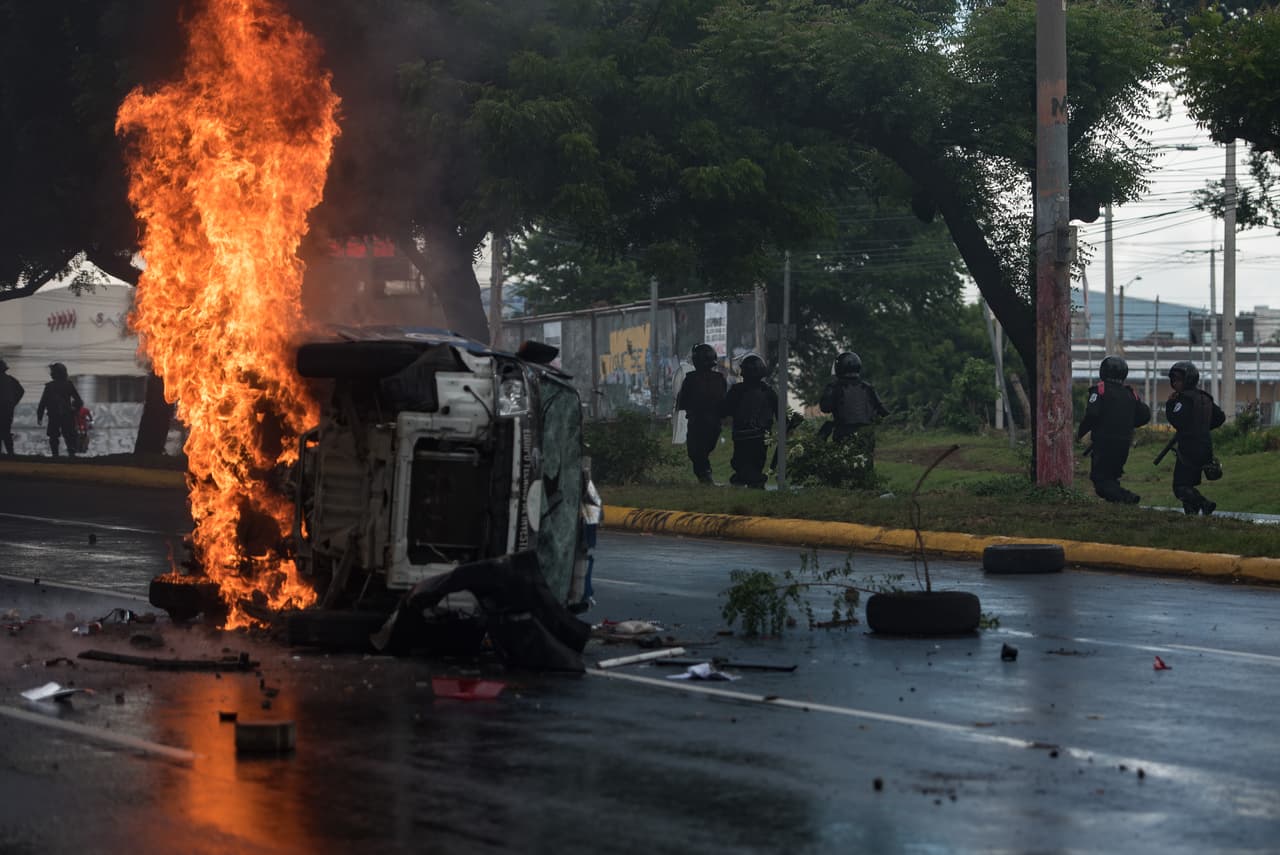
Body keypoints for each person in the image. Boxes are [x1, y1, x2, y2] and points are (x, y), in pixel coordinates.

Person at [1076, 355, 1151, 504]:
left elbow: (1092, 414)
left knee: (1100, 481)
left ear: (1103, 372)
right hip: (1124, 443)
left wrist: (1080, 433)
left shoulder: (1100, 390)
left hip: (1104, 443)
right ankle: (1119, 504)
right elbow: (1145, 416)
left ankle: (1127, 498)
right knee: (1111, 477)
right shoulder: (1130, 393)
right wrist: (1127, 424)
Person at [1165, 360, 1225, 516]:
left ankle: (1204, 504)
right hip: (1205, 446)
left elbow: (1177, 420)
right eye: (1173, 380)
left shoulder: (1183, 399)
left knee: (1180, 487)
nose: (1175, 383)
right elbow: (1220, 417)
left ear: (1188, 380)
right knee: (1188, 484)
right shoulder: (1205, 397)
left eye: (1178, 380)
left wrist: (1170, 404)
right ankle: (1191, 516)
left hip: (1189, 448)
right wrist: (1203, 428)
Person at [719, 353, 778, 488]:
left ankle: (747, 480)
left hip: (741, 437)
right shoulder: (769, 392)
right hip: (761, 437)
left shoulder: (737, 390)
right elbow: (781, 414)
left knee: (741, 463)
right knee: (756, 464)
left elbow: (724, 411)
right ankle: (754, 481)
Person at [819, 351, 889, 462]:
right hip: (866, 436)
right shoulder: (867, 387)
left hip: (843, 435)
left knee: (842, 466)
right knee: (865, 467)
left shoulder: (834, 386)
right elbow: (883, 411)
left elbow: (825, 407)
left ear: (839, 367)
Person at [675, 343, 727, 484]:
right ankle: (705, 476)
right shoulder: (720, 379)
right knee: (702, 452)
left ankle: (705, 476)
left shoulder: (691, 379)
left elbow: (681, 402)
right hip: (714, 424)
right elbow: (724, 402)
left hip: (697, 423)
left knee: (696, 452)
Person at [36, 362, 83, 458]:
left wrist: (39, 416)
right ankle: (71, 455)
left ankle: (55, 455)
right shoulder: (68, 384)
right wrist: (75, 410)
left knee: (53, 436)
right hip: (67, 415)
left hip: (53, 415)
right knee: (69, 436)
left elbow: (43, 403)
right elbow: (79, 401)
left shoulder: (49, 386)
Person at [0, 359, 23, 456]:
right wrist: (13, 402)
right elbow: (21, 391)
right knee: (6, 430)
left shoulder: (10, 380)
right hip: (8, 408)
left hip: (5, 407)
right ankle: (10, 452)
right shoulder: (11, 380)